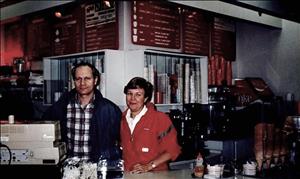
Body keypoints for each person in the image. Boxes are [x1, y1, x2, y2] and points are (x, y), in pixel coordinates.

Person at [43, 61, 121, 162]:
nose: (82, 83)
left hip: (97, 170)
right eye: (78, 79)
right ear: (74, 81)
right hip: (69, 170)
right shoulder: (61, 106)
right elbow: (44, 132)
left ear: (95, 80)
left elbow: (122, 142)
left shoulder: (110, 110)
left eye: (87, 78)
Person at [120, 77, 181, 173]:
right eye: (129, 94)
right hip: (129, 174)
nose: (132, 98)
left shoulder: (160, 119)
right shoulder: (121, 120)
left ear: (146, 98)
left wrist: (148, 166)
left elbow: (173, 150)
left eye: (138, 95)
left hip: (156, 174)